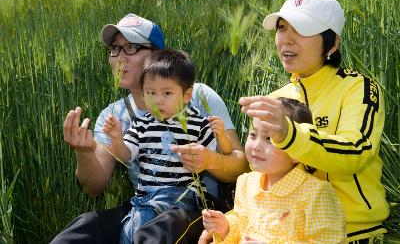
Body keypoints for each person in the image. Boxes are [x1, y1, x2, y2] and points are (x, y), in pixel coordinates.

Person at [52, 13, 248, 244]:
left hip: (194, 209)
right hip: (143, 205)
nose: (119, 57)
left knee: (156, 233)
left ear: (157, 56)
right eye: (114, 49)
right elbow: (93, 187)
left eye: (131, 47)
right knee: (80, 231)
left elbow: (240, 166)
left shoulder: (198, 96)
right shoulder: (113, 116)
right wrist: (84, 153)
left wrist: (210, 161)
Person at [237, 0, 388, 243]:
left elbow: (356, 151)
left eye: (302, 30)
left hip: (352, 233)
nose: (286, 39)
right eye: (282, 28)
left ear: (333, 43)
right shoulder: (276, 98)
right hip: (282, 233)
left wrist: (290, 134)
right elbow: (263, 176)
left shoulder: (358, 87)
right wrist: (228, 223)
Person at [104, 48, 224, 243]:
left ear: (186, 95)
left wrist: (210, 153)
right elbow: (124, 155)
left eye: (167, 93)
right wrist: (116, 138)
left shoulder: (199, 124)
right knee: (128, 231)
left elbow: (214, 163)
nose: (157, 100)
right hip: (144, 199)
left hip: (180, 198)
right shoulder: (142, 124)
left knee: (148, 221)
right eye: (150, 93)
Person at [202, 97, 346, 243]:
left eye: (269, 139)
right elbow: (242, 223)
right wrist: (225, 227)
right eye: (253, 134)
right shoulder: (246, 183)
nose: (256, 146)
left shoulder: (317, 193)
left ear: (295, 151)